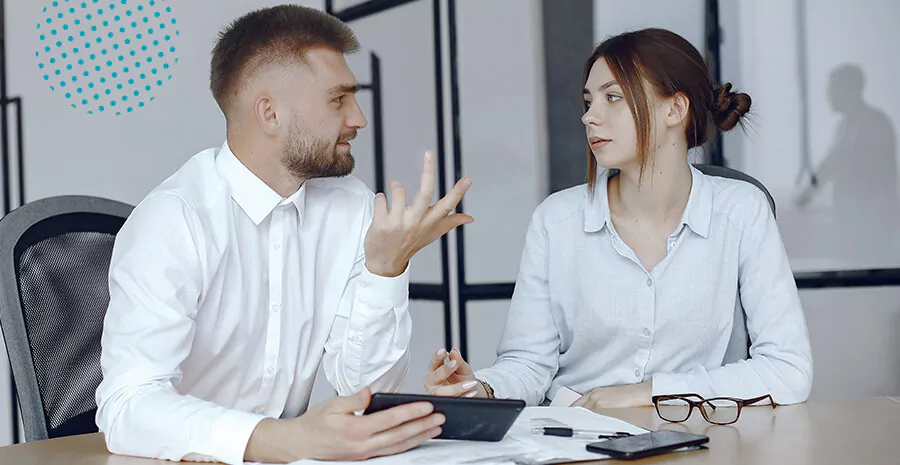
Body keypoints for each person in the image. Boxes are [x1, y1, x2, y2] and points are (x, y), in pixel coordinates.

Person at [96, 5, 472, 464]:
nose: (359, 118)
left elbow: (368, 395)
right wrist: (282, 440)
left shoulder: (351, 207)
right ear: (269, 113)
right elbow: (127, 405)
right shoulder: (174, 220)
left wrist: (385, 270)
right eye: (339, 99)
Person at [424, 28, 812, 411]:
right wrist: (480, 389)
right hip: (572, 440)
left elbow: (787, 370)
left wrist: (650, 392)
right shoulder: (556, 220)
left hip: (693, 440)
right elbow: (528, 364)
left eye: (613, 98)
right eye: (588, 101)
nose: (590, 117)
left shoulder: (741, 211)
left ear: (674, 109)